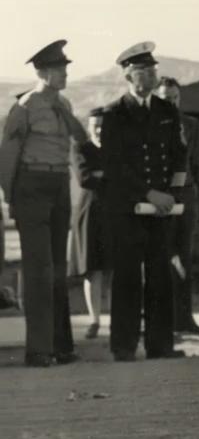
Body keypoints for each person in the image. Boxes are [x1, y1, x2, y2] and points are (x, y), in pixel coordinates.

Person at [0, 40, 85, 367]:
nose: (65, 74)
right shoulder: (25, 106)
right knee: (39, 270)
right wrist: (11, 197)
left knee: (58, 270)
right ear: (43, 72)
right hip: (31, 186)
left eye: (65, 68)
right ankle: (38, 350)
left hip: (58, 184)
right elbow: (8, 155)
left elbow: (77, 143)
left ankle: (61, 346)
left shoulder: (63, 103)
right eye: (60, 69)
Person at [102, 43, 188, 362]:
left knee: (160, 275)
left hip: (162, 208)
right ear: (128, 74)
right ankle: (124, 345)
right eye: (143, 71)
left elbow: (180, 157)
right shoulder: (114, 114)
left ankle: (160, 345)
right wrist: (148, 194)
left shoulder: (167, 111)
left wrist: (172, 195)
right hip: (128, 208)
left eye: (153, 70)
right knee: (127, 276)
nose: (151, 76)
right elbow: (115, 165)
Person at [154, 76, 199, 335]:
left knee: (184, 258)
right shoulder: (150, 124)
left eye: (175, 98)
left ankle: (185, 319)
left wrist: (193, 194)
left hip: (186, 197)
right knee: (160, 258)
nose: (171, 103)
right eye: (166, 99)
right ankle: (160, 320)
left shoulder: (191, 125)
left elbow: (198, 165)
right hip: (160, 199)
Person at [69, 107, 109, 339]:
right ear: (89, 126)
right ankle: (94, 320)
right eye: (95, 126)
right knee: (92, 270)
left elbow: (122, 175)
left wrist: (102, 175)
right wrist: (107, 176)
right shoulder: (80, 148)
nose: (100, 130)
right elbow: (85, 178)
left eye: (103, 125)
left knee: (113, 268)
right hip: (90, 214)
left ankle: (115, 320)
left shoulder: (117, 149)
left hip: (113, 213)